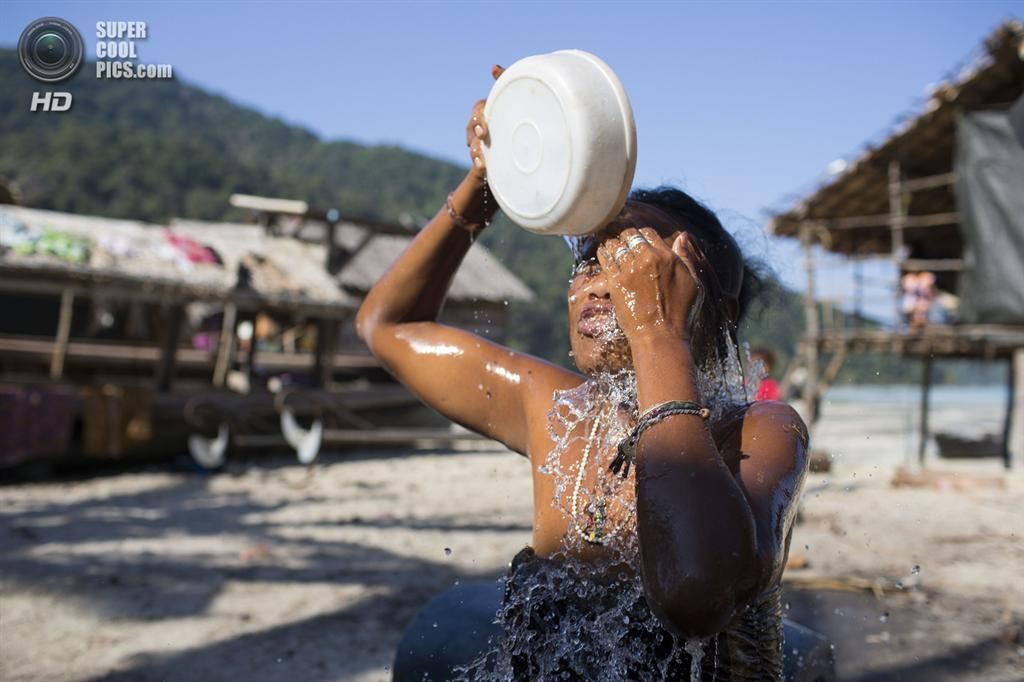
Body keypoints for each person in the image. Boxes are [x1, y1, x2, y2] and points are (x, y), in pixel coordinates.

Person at [357, 66, 809, 680]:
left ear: (718, 311)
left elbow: (695, 596)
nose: (602, 281)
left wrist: (656, 332)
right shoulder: (561, 409)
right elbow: (389, 327)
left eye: (639, 263)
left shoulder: (759, 432)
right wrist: (485, 190)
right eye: (589, 262)